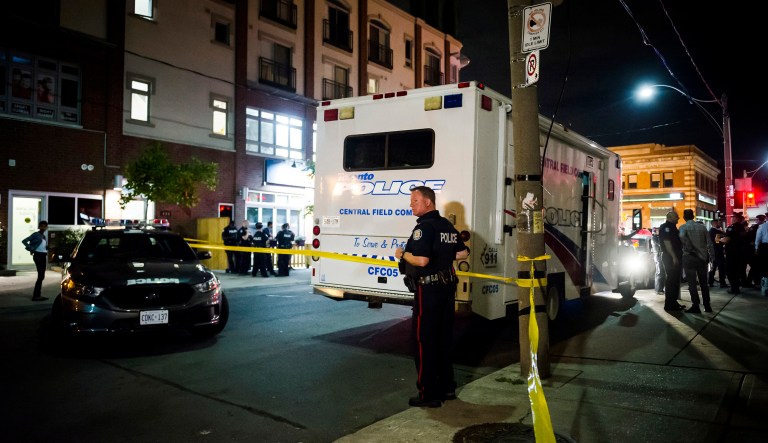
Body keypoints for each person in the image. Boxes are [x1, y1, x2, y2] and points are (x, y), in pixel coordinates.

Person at [395, 186, 469, 408]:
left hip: (428, 291)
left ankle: (428, 394)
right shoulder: (446, 225)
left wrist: (402, 254)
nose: (411, 204)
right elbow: (463, 252)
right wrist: (442, 254)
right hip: (447, 289)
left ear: (427, 202)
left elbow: (422, 260)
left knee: (424, 340)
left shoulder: (424, 228)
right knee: (443, 339)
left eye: (415, 200)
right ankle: (447, 388)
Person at [679, 209, 713, 313]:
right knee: (704, 283)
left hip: (689, 257)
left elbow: (681, 237)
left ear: (684, 217)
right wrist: (712, 257)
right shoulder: (702, 227)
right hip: (702, 258)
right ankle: (707, 305)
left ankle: (696, 305)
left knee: (692, 283)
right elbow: (709, 243)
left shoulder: (683, 227)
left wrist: (688, 246)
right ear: (693, 216)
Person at [659, 211, 685, 312]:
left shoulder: (672, 227)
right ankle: (670, 304)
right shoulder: (666, 227)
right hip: (670, 257)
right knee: (671, 280)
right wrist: (674, 256)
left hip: (674, 256)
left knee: (675, 281)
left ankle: (673, 302)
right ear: (670, 218)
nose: (678, 218)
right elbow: (667, 243)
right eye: (676, 217)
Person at [21, 221, 50, 301]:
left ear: (46, 227)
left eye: (45, 226)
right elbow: (24, 241)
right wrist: (31, 249)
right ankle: (36, 296)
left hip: (43, 256)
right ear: (39, 227)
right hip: (38, 256)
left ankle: (37, 295)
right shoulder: (36, 234)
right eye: (41, 226)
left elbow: (41, 246)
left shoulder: (44, 236)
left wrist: (47, 247)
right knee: (41, 276)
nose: (43, 228)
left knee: (41, 276)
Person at [721, 212, 748, 294]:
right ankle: (736, 287)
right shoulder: (742, 228)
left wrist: (719, 240)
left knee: (730, 271)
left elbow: (727, 240)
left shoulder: (731, 228)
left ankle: (734, 288)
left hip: (732, 253)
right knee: (738, 270)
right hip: (741, 253)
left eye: (733, 217)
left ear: (736, 219)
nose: (731, 219)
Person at [708, 219, 727, 288]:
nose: (719, 224)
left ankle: (710, 282)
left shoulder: (710, 231)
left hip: (713, 252)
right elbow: (718, 241)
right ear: (714, 223)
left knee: (713, 268)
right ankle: (722, 282)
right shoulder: (715, 231)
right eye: (718, 223)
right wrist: (723, 240)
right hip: (718, 252)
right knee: (721, 268)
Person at [651, 227, 665, 295]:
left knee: (660, 273)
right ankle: (658, 290)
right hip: (658, 256)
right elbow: (661, 244)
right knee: (660, 273)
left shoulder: (656, 237)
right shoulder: (655, 238)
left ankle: (659, 289)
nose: (659, 232)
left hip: (658, 255)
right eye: (658, 230)